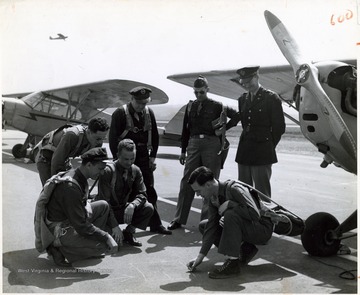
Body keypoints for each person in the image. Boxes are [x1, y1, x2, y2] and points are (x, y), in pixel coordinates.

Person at [168, 75, 238, 230]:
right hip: (193, 144)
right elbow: (185, 130)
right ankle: (179, 218)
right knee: (187, 180)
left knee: (209, 182)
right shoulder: (190, 106)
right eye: (196, 92)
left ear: (207, 90)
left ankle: (207, 221)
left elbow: (236, 116)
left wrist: (224, 129)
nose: (199, 95)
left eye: (201, 92)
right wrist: (182, 151)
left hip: (211, 144)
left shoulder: (217, 105)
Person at [186, 166, 274, 279]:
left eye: (198, 191)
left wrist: (230, 204)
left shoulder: (234, 189)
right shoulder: (213, 197)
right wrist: (200, 257)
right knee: (205, 225)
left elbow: (254, 214)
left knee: (230, 215)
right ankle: (245, 249)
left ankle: (233, 264)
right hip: (249, 227)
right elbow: (211, 227)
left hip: (262, 229)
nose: (197, 195)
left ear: (208, 185)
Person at [36, 147, 118, 267]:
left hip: (71, 220)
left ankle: (82, 246)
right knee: (103, 246)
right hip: (60, 229)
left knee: (103, 206)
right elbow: (80, 225)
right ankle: (57, 249)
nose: (101, 173)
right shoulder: (71, 187)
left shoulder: (79, 175)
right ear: (89, 165)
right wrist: (106, 237)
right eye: (100, 169)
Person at [109, 86, 171, 235]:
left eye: (144, 103)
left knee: (149, 190)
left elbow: (155, 136)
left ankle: (155, 224)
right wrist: (118, 161)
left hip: (143, 156)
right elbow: (112, 139)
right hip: (125, 159)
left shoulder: (149, 113)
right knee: (121, 190)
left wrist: (153, 156)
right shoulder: (119, 113)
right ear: (131, 99)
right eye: (139, 103)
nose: (142, 106)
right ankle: (111, 224)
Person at [231, 66, 285, 198]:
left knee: (262, 193)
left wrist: (269, 145)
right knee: (243, 192)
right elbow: (245, 124)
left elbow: (279, 127)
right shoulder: (242, 99)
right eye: (244, 83)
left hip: (262, 151)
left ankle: (265, 218)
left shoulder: (271, 98)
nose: (247, 85)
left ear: (256, 77)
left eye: (249, 82)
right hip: (244, 150)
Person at [97, 139, 154, 247]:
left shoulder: (135, 170)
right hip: (106, 214)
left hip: (122, 210)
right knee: (108, 243)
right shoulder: (108, 171)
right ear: (118, 155)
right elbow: (104, 202)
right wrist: (115, 226)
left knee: (148, 208)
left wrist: (133, 205)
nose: (129, 162)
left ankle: (128, 232)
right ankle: (110, 231)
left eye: (132, 158)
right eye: (125, 159)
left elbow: (143, 194)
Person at [35, 117, 109, 185]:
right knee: (52, 191)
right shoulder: (72, 135)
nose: (100, 142)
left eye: (103, 138)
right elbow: (57, 161)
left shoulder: (97, 141)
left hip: (64, 160)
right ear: (89, 132)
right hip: (47, 159)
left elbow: (89, 165)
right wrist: (57, 183)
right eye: (98, 139)